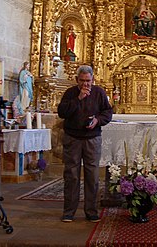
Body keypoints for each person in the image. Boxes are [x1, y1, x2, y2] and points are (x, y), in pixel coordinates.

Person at [57, 65, 113, 223]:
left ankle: (91, 211)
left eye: (88, 81)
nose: (85, 84)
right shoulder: (70, 93)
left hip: (92, 139)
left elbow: (107, 112)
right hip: (73, 138)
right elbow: (62, 112)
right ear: (76, 80)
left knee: (92, 176)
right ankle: (69, 212)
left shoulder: (99, 93)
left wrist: (97, 120)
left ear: (92, 79)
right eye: (82, 81)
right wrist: (78, 99)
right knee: (71, 176)